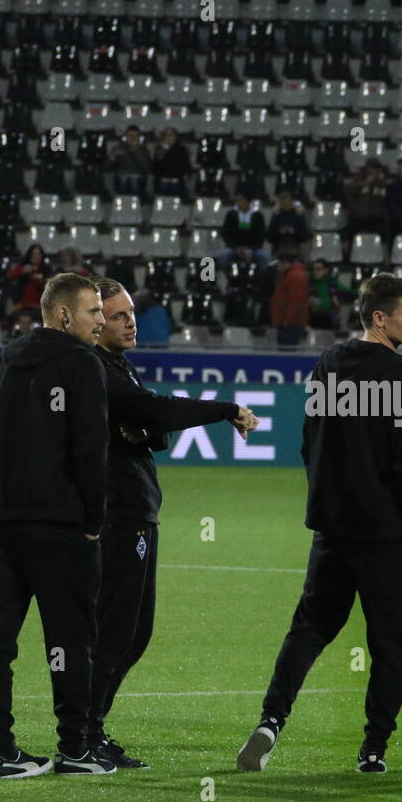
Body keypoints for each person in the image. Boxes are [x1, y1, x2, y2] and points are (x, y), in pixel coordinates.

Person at [237, 273, 402, 774]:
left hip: (334, 528)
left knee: (310, 628)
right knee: (389, 644)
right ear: (379, 318)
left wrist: (326, 502)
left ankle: (271, 719)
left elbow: (311, 440)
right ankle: (373, 748)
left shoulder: (329, 365)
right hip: (389, 533)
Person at [86, 277, 259, 768]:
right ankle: (83, 732)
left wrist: (146, 430)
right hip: (117, 516)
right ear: (96, 323)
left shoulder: (119, 368)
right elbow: (156, 410)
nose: (129, 321)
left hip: (138, 514)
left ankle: (91, 727)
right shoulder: (98, 369)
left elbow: (149, 424)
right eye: (117, 316)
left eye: (130, 313)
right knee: (115, 632)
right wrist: (225, 409)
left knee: (133, 634)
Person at [0, 272, 114, 778]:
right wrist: (94, 520)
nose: (101, 322)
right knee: (69, 641)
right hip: (60, 529)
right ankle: (74, 748)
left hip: (0, 528)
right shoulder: (83, 365)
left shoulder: (3, 361)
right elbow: (90, 451)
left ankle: (3, 752)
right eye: (94, 311)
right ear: (64, 313)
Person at [217, 191, 271, 269]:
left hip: (253, 249)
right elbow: (226, 234)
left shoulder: (257, 215)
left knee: (266, 257)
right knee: (224, 256)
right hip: (234, 249)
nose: (238, 203)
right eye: (237, 201)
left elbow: (261, 235)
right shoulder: (231, 214)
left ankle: (260, 279)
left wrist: (252, 249)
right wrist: (235, 248)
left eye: (241, 200)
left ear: (248, 201)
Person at [270, 252, 310, 345]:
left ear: (285, 263)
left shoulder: (295, 276)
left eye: (278, 264)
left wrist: (289, 320)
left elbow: (295, 301)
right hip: (288, 322)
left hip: (290, 324)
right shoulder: (291, 275)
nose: (277, 268)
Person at [342, 159, 388, 239]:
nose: (374, 171)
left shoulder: (382, 183)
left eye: (377, 169)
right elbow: (347, 190)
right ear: (367, 169)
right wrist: (364, 183)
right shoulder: (357, 179)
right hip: (358, 217)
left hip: (376, 218)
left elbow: (386, 199)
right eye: (372, 168)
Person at [308, 258, 355, 330]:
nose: (315, 271)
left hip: (328, 318)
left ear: (326, 270)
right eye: (314, 269)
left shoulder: (332, 283)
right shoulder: (309, 282)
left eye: (318, 269)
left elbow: (348, 291)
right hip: (312, 317)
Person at [7, 243, 52, 312]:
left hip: (39, 306)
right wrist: (22, 271)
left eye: (38, 254)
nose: (35, 256)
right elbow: (10, 276)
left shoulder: (46, 270)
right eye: (33, 254)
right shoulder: (23, 267)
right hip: (22, 305)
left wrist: (41, 280)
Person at [267, 188, 310, 257]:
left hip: (294, 246)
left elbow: (304, 236)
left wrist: (294, 232)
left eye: (288, 203)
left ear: (291, 202)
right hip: (279, 247)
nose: (286, 205)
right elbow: (269, 237)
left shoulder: (298, 216)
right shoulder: (276, 217)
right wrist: (279, 232)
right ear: (280, 203)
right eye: (283, 203)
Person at [152, 126, 192, 199]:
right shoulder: (159, 150)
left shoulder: (181, 150)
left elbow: (187, 166)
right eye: (166, 134)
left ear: (175, 136)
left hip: (177, 180)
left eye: (171, 134)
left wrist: (184, 176)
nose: (168, 137)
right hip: (162, 180)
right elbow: (155, 168)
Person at [111, 125, 151, 197]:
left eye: (136, 135)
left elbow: (146, 168)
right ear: (126, 137)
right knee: (123, 178)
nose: (133, 138)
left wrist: (136, 151)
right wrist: (112, 157)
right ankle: (122, 199)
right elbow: (107, 167)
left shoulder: (144, 150)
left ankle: (136, 200)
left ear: (139, 137)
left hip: (138, 176)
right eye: (130, 135)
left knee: (134, 179)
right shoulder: (118, 148)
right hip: (122, 176)